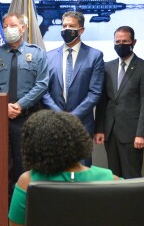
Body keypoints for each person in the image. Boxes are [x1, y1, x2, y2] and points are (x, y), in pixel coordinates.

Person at [0, 12, 50, 194]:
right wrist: (3, 107)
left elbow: (42, 84)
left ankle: (25, 211)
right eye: (5, 26)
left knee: (26, 167)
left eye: (12, 26)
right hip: (0, 119)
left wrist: (19, 105)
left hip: (27, 119)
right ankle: (4, 213)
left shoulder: (36, 54)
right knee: (1, 167)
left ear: (23, 28)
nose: (8, 30)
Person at [94, 26, 144, 179]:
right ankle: (116, 204)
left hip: (132, 133)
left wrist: (141, 134)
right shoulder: (107, 67)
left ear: (133, 42)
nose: (120, 44)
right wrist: (100, 129)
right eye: (117, 41)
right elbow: (103, 101)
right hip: (110, 131)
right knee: (113, 175)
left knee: (131, 175)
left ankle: (134, 204)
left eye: (125, 41)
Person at [42, 11, 105, 148]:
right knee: (56, 167)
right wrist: (60, 115)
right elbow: (44, 91)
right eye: (64, 26)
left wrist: (73, 116)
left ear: (81, 30)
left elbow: (94, 93)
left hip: (82, 124)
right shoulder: (49, 57)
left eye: (71, 26)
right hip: (54, 123)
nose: (66, 29)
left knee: (82, 167)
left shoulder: (95, 56)